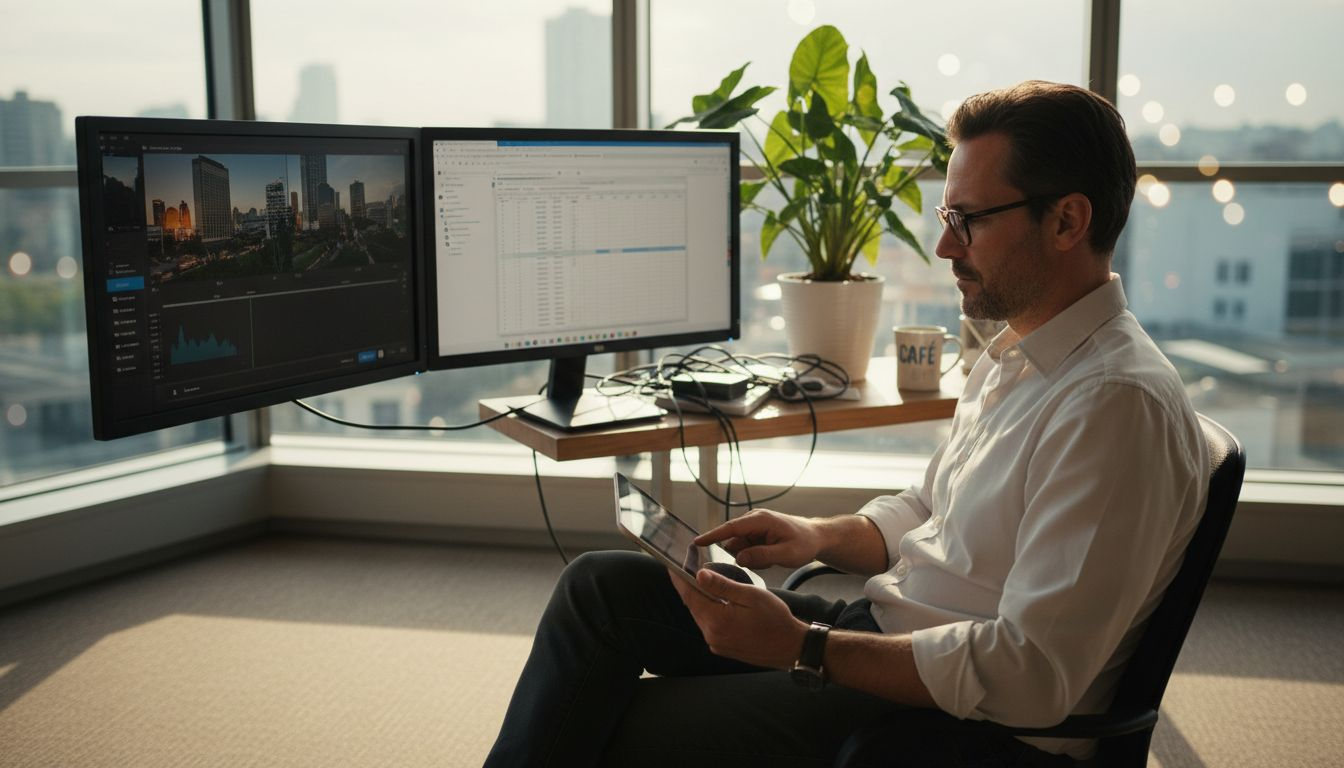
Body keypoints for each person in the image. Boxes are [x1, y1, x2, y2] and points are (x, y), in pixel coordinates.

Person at [483, 80, 1209, 768]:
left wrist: (804, 647)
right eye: (945, 218)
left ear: (1067, 220)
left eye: (968, 220)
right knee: (598, 590)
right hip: (886, 637)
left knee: (600, 730)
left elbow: (1031, 675)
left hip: (957, 718)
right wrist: (817, 534)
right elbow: (932, 509)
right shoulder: (1023, 347)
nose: (945, 247)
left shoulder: (1115, 406)